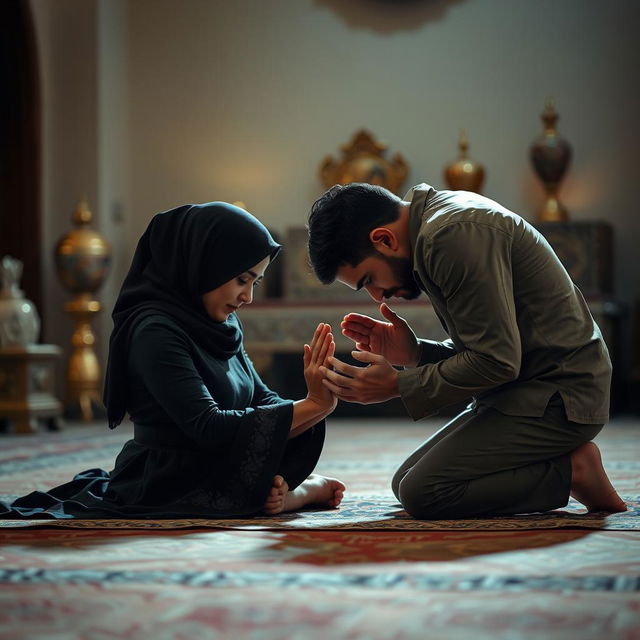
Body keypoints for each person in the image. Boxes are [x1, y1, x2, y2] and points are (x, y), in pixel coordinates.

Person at [1, 202, 344, 519]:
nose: (248, 297)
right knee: (249, 473)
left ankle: (296, 489)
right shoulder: (155, 331)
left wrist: (313, 402)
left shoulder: (221, 324)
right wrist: (314, 405)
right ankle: (301, 491)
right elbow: (208, 427)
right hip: (171, 474)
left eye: (256, 282)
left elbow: (262, 399)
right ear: (207, 263)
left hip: (219, 457)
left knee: (274, 437)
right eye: (242, 280)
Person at [307, 182, 626, 520]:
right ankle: (562, 464)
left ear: (384, 239)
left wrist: (397, 386)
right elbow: (493, 351)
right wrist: (415, 353)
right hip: (524, 388)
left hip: (561, 397)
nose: (377, 296)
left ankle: (573, 470)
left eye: (368, 279)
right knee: (404, 483)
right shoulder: (438, 221)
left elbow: (496, 362)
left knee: (425, 493)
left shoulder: (448, 236)